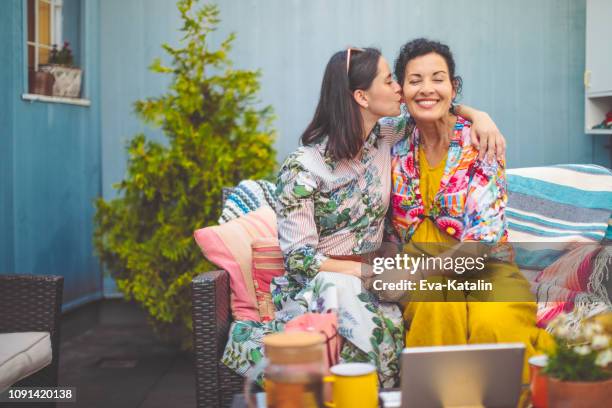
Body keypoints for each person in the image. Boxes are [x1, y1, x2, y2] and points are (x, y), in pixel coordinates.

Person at [222, 46, 506, 387]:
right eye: (390, 81)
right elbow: (299, 259)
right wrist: (367, 273)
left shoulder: (383, 138)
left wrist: (479, 115)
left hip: (375, 278)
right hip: (324, 280)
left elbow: (431, 104)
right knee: (343, 292)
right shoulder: (303, 167)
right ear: (361, 96)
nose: (400, 88)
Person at [388, 38, 552, 381]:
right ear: (401, 91)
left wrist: (477, 116)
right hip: (421, 272)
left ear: (453, 86)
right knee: (436, 315)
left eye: (438, 78)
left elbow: (486, 237)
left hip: (485, 267)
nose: (427, 89)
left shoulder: (481, 141)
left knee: (497, 326)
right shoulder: (394, 141)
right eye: (415, 80)